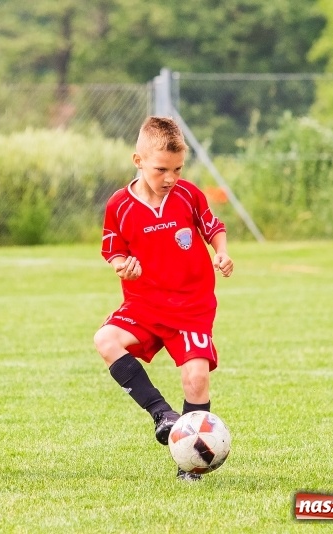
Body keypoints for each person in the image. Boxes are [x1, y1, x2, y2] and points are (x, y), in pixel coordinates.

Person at [93, 116, 233, 481]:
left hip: (191, 306)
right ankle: (162, 415)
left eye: (177, 169)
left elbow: (213, 227)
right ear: (138, 161)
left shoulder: (188, 195)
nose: (170, 178)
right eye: (161, 170)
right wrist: (124, 266)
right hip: (144, 305)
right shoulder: (119, 205)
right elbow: (113, 251)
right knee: (105, 340)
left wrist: (221, 253)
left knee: (197, 377)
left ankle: (192, 465)